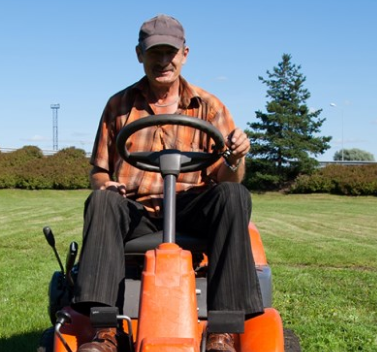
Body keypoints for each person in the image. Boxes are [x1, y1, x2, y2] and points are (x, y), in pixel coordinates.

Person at [72, 14, 263, 352]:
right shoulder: (119, 106)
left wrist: (235, 158)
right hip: (136, 209)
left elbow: (226, 176)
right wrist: (105, 185)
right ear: (139, 54)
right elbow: (99, 170)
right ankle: (104, 331)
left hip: (191, 205)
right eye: (154, 53)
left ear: (185, 54)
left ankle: (222, 330)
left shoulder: (209, 107)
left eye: (170, 53)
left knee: (234, 194)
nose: (163, 61)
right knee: (101, 200)